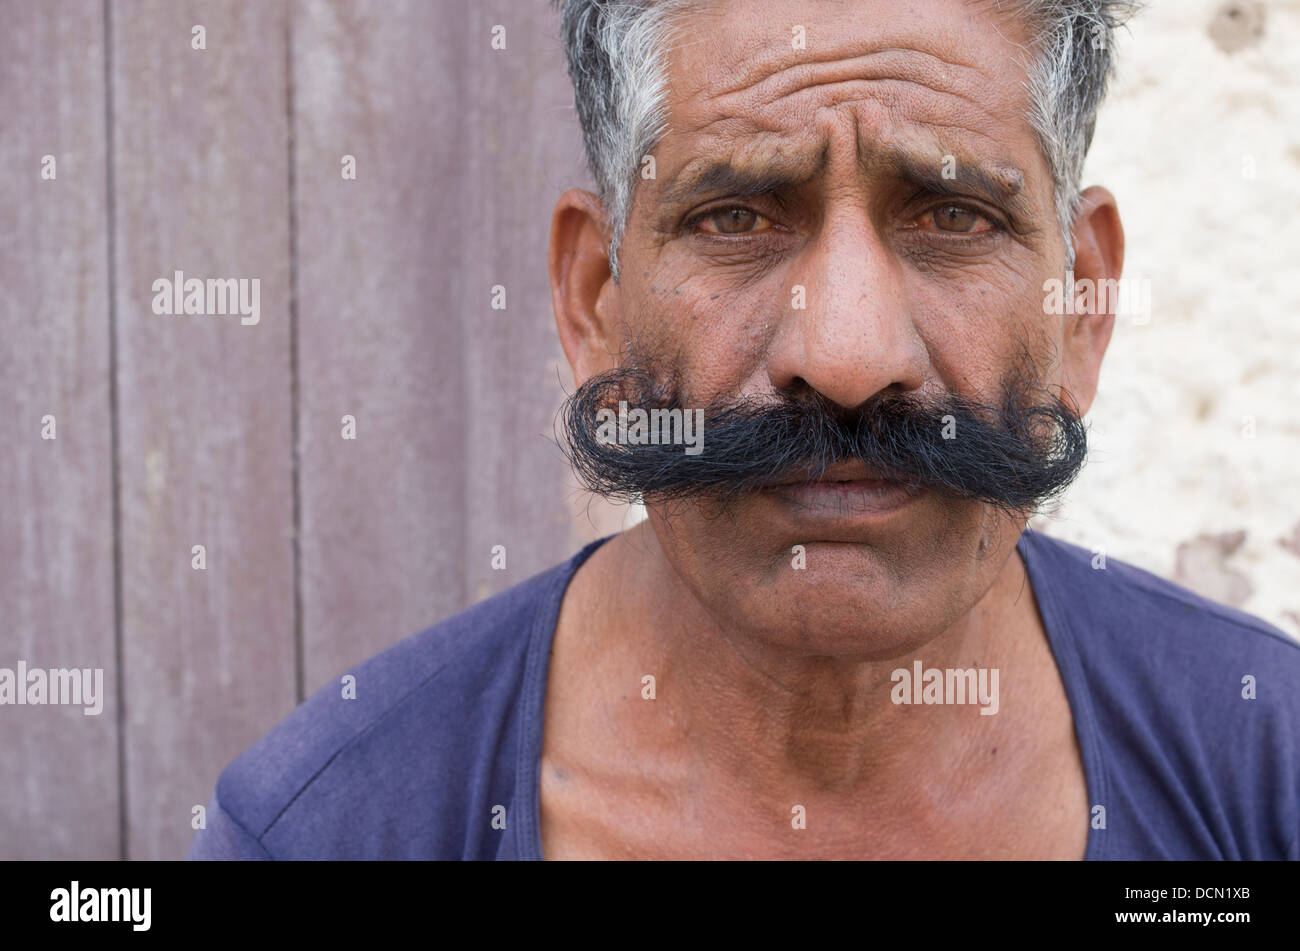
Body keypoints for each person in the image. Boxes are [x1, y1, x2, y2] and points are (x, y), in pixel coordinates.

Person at [189, 0, 1299, 860]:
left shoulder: (1267, 772)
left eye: (953, 215)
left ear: (1081, 304)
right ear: (594, 302)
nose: (850, 357)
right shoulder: (329, 832)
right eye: (735, 217)